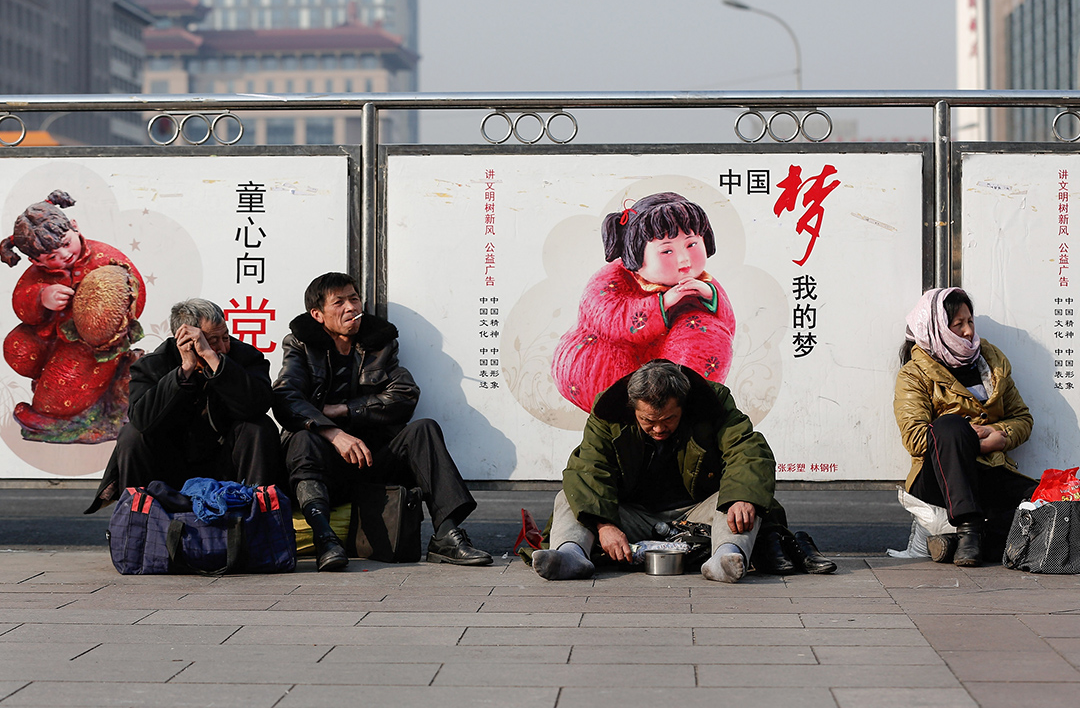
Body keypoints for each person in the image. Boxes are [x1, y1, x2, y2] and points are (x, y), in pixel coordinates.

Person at [272, 272, 492, 571]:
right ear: (318, 315)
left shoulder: (379, 343)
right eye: (339, 302)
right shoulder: (301, 343)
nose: (351, 307)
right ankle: (326, 538)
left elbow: (404, 395)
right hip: (322, 463)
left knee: (423, 430)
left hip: (370, 459)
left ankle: (446, 535)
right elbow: (286, 398)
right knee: (302, 438)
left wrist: (345, 410)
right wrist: (333, 432)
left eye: (354, 299)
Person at [533, 359, 784, 583]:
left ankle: (725, 556)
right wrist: (603, 525)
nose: (658, 429)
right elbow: (590, 468)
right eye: (648, 421)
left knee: (739, 498)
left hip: (695, 515)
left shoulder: (713, 402)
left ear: (683, 406)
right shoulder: (608, 412)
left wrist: (742, 497)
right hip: (631, 516)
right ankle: (571, 554)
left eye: (668, 419)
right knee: (570, 496)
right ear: (633, 409)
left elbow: (746, 449)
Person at [85, 299, 282, 514]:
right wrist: (184, 370)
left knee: (260, 427)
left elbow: (257, 405)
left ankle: (257, 518)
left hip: (227, 465)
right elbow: (141, 419)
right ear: (184, 339)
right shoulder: (154, 364)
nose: (223, 347)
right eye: (211, 341)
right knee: (132, 435)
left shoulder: (245, 357)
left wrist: (213, 360)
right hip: (171, 465)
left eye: (224, 337)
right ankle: (137, 519)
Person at [552, 192, 736, 412]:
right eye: (667, 250)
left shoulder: (701, 282)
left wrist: (709, 296)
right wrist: (663, 303)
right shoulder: (611, 279)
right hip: (616, 365)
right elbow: (608, 317)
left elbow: (727, 327)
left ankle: (683, 401)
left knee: (708, 329)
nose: (684, 260)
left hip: (668, 367)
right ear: (637, 255)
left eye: (691, 244)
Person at [895, 287, 1036, 566]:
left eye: (970, 322)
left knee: (1048, 505)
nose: (968, 331)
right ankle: (969, 528)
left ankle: (962, 543)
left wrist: (1001, 436)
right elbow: (915, 437)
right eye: (958, 324)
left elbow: (1022, 417)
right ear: (937, 328)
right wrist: (970, 439)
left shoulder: (991, 360)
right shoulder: (915, 373)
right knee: (950, 426)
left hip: (988, 469)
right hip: (938, 478)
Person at [2, 190, 145, 439]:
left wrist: (105, 319)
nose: (64, 256)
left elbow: (135, 290)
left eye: (66, 244)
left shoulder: (106, 258)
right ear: (35, 262)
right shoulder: (39, 273)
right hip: (52, 338)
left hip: (91, 345)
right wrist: (41, 296)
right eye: (52, 257)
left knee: (62, 390)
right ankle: (49, 387)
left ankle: (52, 413)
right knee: (18, 348)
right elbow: (21, 303)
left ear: (75, 228)